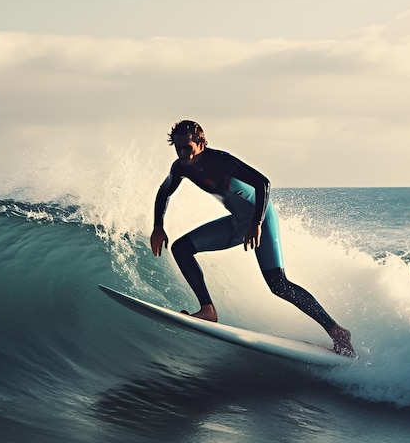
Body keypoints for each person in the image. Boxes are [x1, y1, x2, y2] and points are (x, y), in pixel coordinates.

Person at [150, 120, 355, 357]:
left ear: (202, 143)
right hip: (237, 223)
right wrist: (158, 226)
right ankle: (207, 310)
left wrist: (256, 224)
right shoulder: (181, 168)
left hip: (261, 219)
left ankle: (337, 331)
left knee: (278, 284)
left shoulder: (221, 160)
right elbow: (164, 192)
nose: (182, 153)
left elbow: (262, 183)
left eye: (187, 147)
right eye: (177, 148)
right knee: (181, 248)